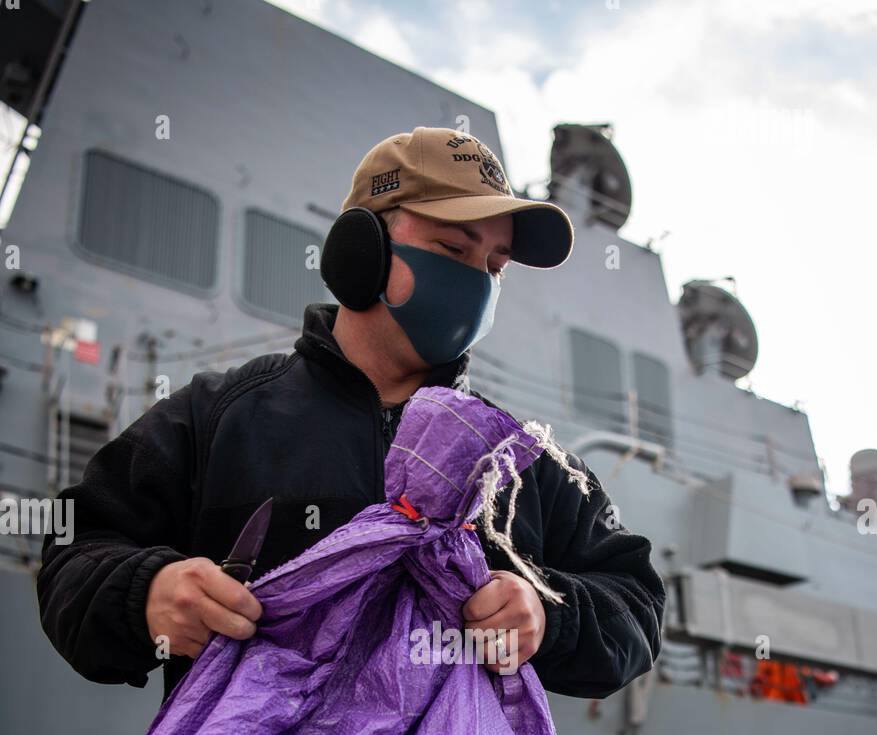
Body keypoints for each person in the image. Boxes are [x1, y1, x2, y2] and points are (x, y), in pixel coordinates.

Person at [37, 126, 665, 703]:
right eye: (453, 247)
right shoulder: (216, 417)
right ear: (359, 249)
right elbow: (75, 546)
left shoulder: (518, 463)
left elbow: (635, 601)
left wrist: (547, 612)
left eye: (494, 268)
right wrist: (145, 594)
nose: (476, 283)